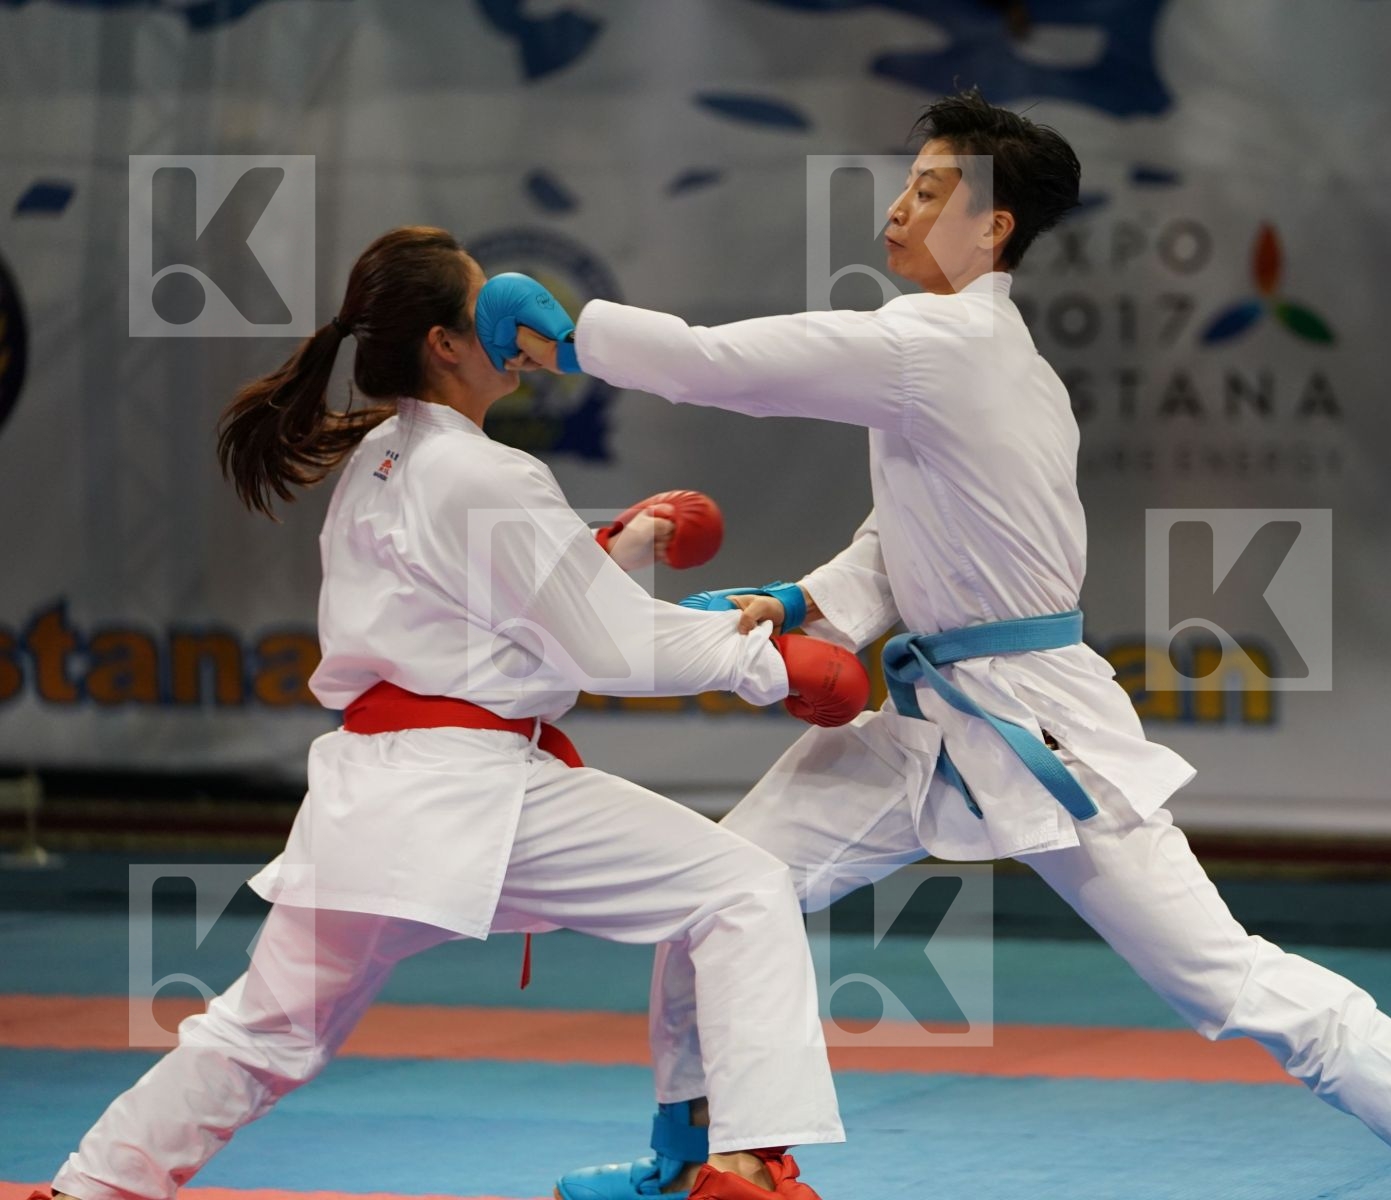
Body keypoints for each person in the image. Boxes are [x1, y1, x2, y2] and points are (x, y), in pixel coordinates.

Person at [486, 91, 1391, 1200]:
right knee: (715, 890)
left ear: (993, 226)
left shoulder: (941, 342)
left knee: (1224, 980)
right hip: (924, 725)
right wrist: (799, 599)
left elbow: (724, 367)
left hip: (1038, 723)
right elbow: (901, 537)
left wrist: (575, 336)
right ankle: (689, 1166)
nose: (899, 212)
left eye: (929, 192)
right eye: (903, 188)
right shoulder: (977, 360)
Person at [35, 226, 864, 1200]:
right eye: (487, 312)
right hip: (473, 792)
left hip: (374, 796)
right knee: (741, 892)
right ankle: (740, 1170)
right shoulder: (486, 474)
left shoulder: (384, 460)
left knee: (263, 1034)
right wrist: (766, 663)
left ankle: (91, 1188)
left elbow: (499, 620)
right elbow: (604, 645)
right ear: (446, 341)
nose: (511, 334)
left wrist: (623, 544)